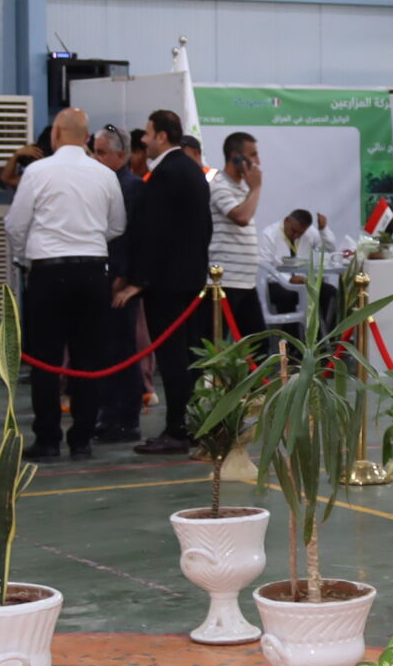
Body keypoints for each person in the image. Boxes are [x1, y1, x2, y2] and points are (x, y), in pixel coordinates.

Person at [11, 109, 126, 461]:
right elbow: (117, 225)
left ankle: (47, 439)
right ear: (87, 137)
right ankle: (82, 439)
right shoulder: (105, 175)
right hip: (92, 272)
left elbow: (16, 224)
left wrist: (25, 257)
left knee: (45, 360)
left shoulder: (37, 171)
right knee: (87, 359)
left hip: (48, 271)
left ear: (57, 133)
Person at [117, 107, 212, 456]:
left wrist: (138, 280)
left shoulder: (166, 174)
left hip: (167, 285)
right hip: (190, 280)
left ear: (161, 135)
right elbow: (203, 229)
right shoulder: (192, 170)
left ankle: (177, 429)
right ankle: (193, 424)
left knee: (173, 360)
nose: (143, 140)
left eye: (147, 133)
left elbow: (153, 234)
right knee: (188, 357)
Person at [87, 126, 145, 443]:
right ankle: (108, 413)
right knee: (105, 349)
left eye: (101, 153)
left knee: (121, 349)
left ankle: (125, 418)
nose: (96, 158)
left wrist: (126, 278)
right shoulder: (105, 183)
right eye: (94, 152)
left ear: (121, 155)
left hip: (120, 280)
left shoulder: (131, 187)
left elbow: (133, 236)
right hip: (105, 275)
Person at [209, 131, 267, 338]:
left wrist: (251, 190)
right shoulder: (218, 184)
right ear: (235, 157)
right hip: (226, 280)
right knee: (217, 341)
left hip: (245, 281)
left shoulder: (241, 190)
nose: (258, 162)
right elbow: (241, 217)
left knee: (256, 343)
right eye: (253, 155)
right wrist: (256, 188)